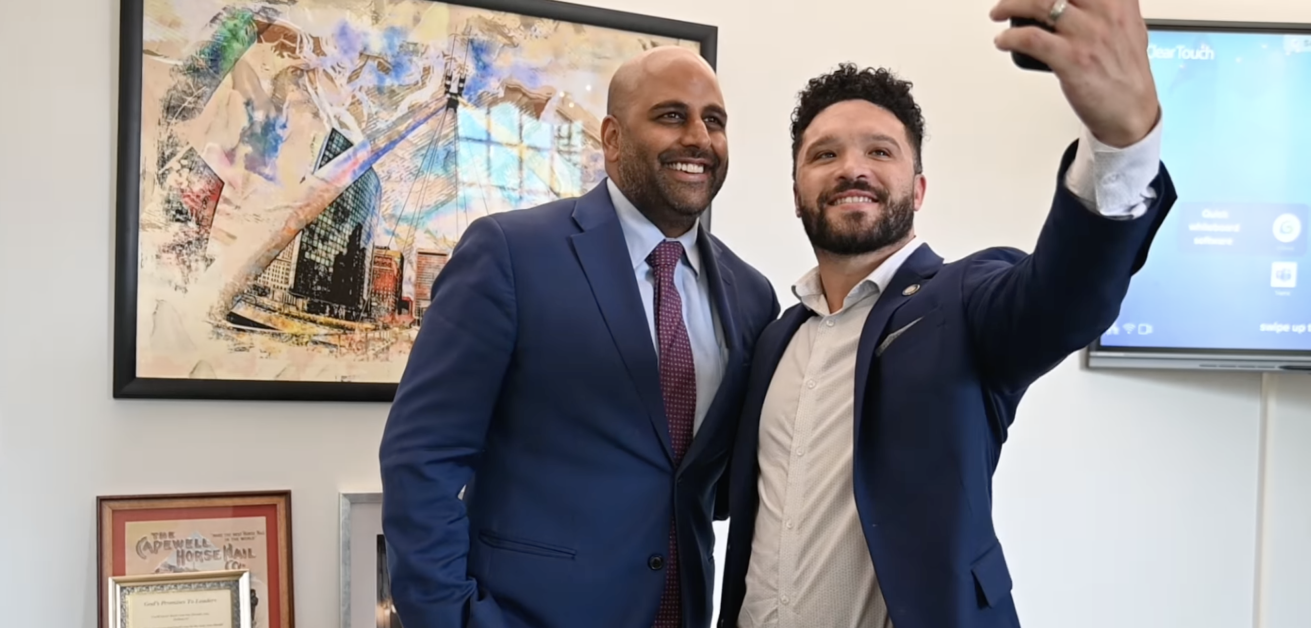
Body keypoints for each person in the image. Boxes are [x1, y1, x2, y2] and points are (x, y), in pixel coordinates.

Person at [717, 1, 1176, 627]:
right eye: (824, 155)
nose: (852, 167)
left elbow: (1065, 300)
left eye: (880, 152)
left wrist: (1121, 143)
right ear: (797, 190)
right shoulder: (775, 338)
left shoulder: (964, 301)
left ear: (919, 188)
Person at [378, 45, 780, 628]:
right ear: (613, 138)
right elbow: (422, 457)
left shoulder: (751, 295)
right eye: (672, 116)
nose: (698, 137)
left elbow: (718, 485)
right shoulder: (509, 254)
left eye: (713, 121)